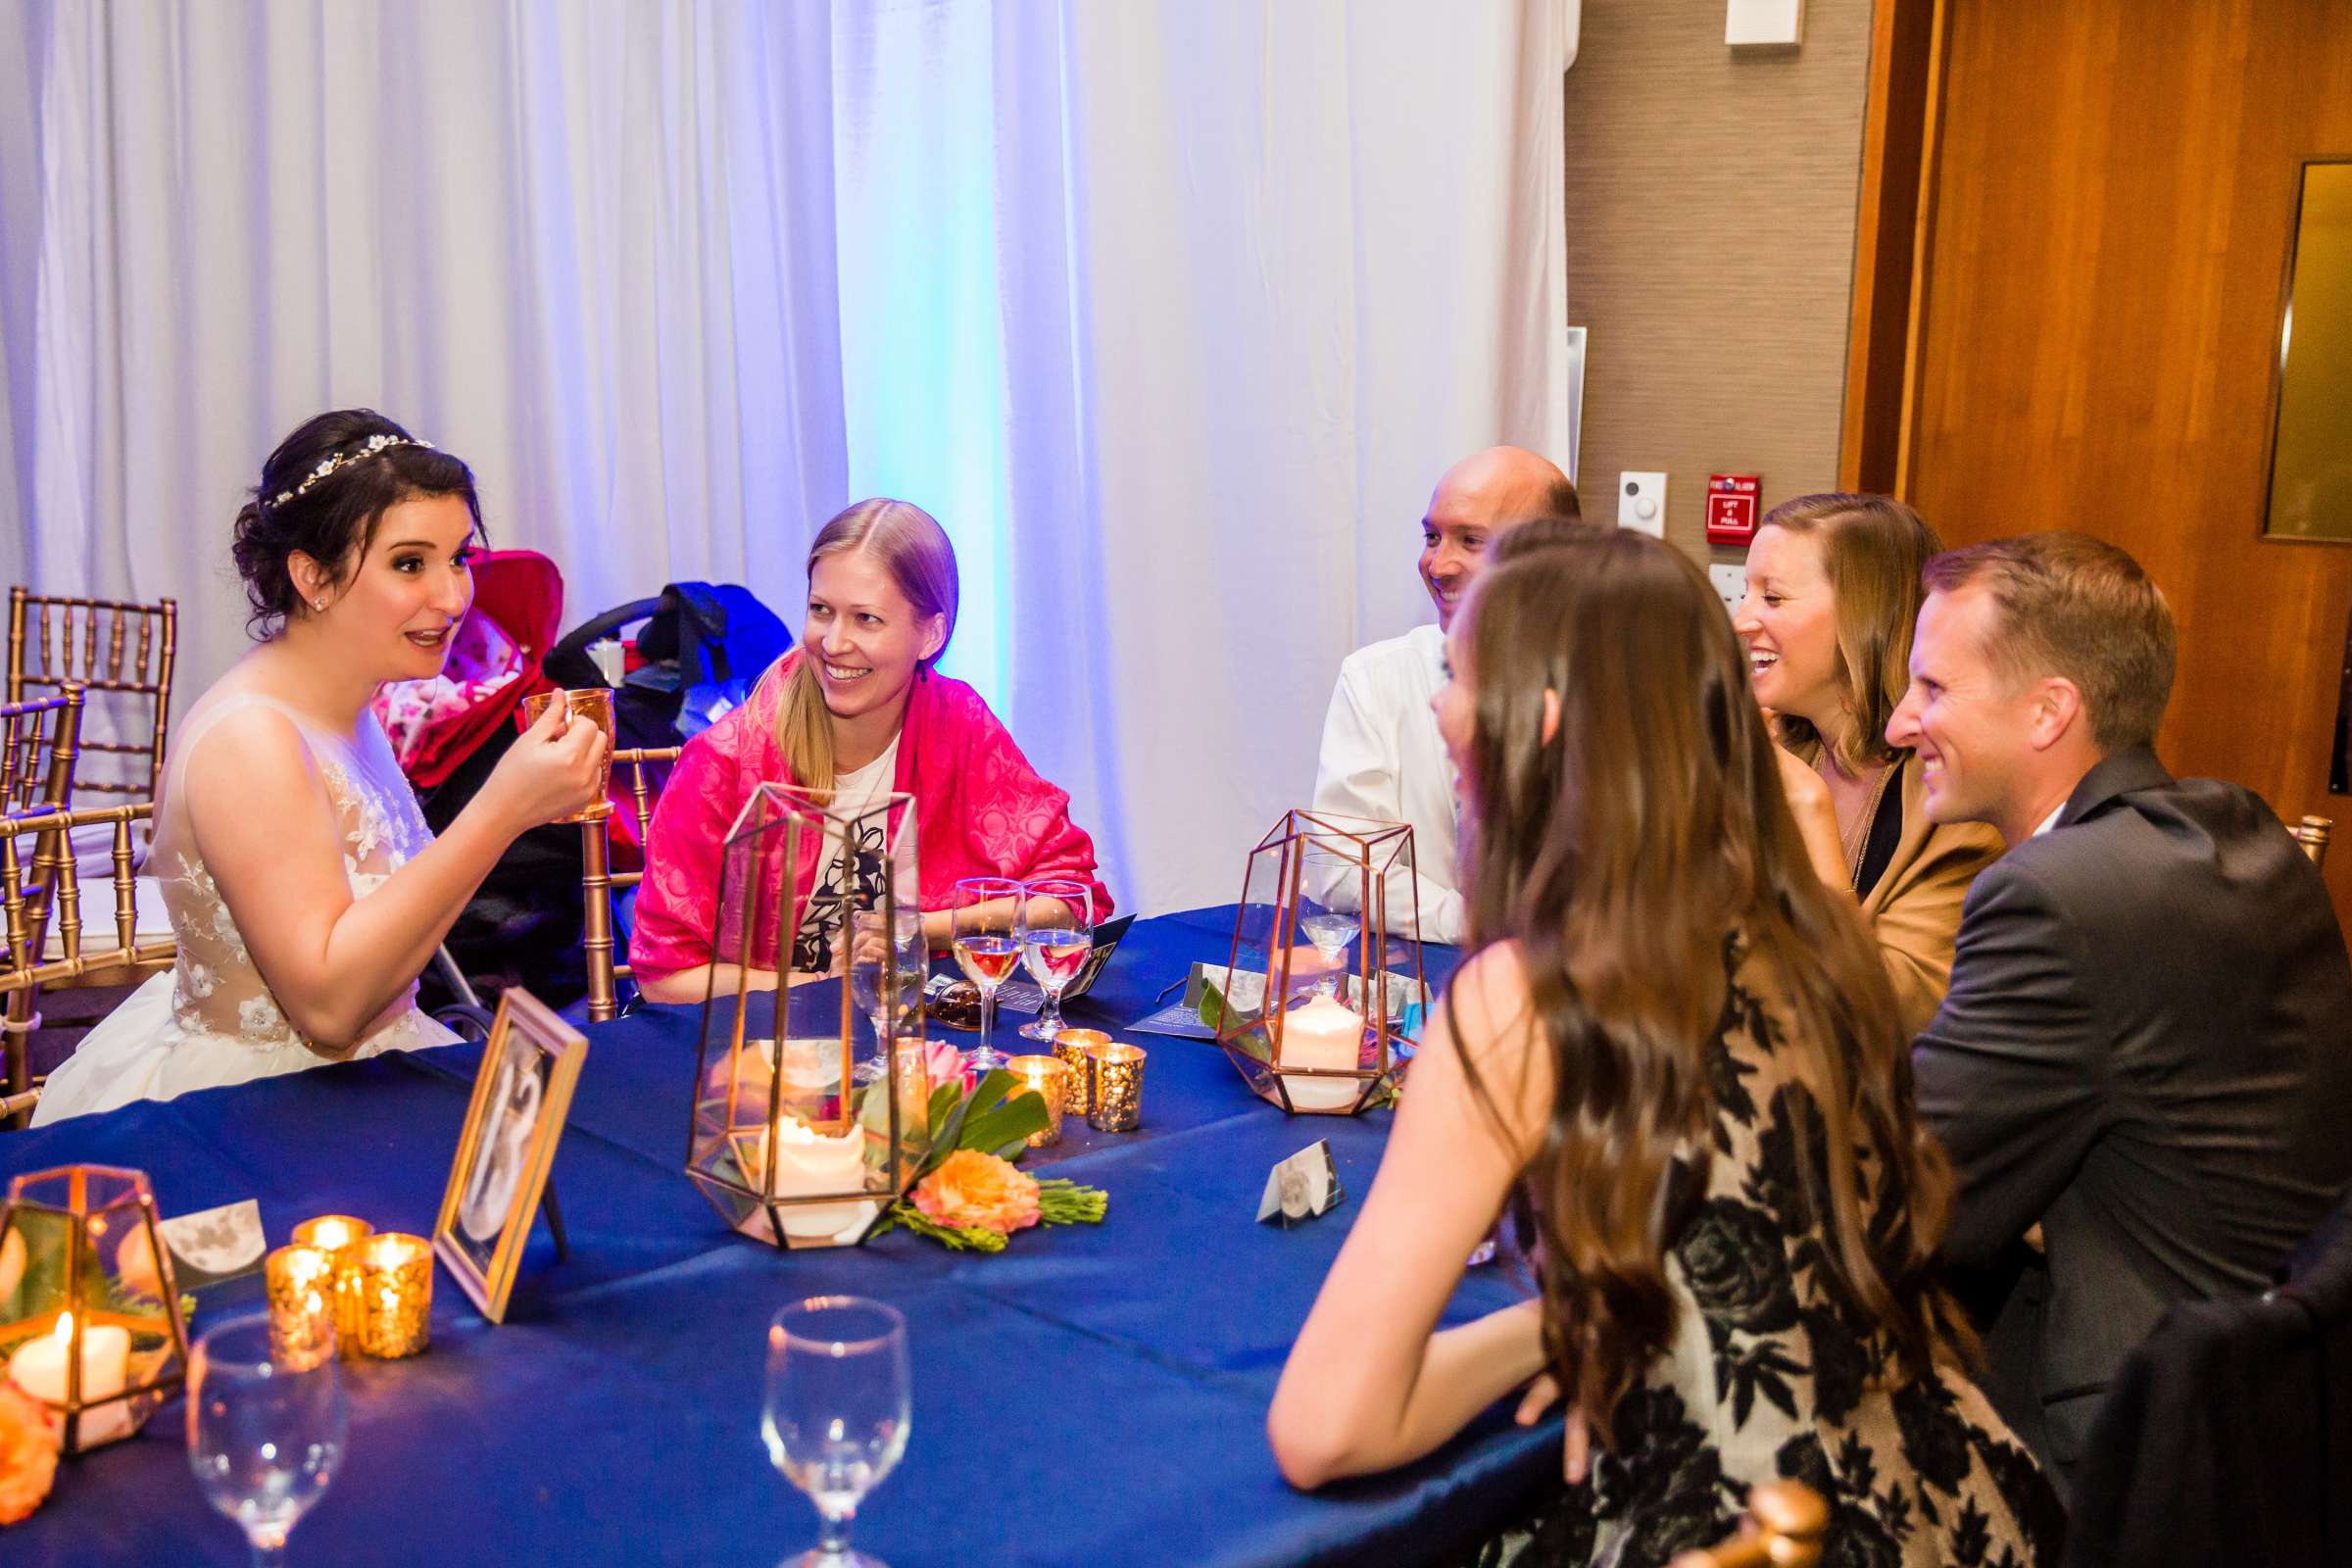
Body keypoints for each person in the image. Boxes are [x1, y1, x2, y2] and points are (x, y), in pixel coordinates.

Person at [1270, 528, 2058, 1562]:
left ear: (1540, 719)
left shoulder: (1526, 1000)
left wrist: (1552, 1325)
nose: (1436, 705)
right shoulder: (1815, 934)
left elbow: (1328, 1429)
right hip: (1940, 1498)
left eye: (1459, 673)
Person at [1898, 531, 2352, 1484]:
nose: (1903, 723)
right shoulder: (2239, 826)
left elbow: (1909, 1204)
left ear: (2048, 711)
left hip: (2127, 1446)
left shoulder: (2056, 894)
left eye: (1934, 688)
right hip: (2271, 1411)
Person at [34, 411, 608, 1123]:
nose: (453, 598)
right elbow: (329, 1011)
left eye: (458, 558)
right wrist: (501, 811)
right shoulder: (252, 740)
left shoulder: (345, 704)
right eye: (409, 563)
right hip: (266, 1105)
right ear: (313, 576)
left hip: (367, 1071)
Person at [630, 499, 1111, 1001]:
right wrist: (818, 986)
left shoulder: (958, 724)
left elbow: (1068, 899)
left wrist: (920, 928)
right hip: (764, 1059)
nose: (834, 643)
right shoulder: (726, 761)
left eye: (866, 618)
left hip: (913, 1043)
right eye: (821, 611)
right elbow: (665, 978)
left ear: (930, 634)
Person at [1734, 494, 2004, 1032]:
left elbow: (1891, 1013)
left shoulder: (1953, 805)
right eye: (1745, 594)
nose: (1742, 620)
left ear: (1864, 619)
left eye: (1773, 598)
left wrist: (1807, 808)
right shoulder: (1774, 751)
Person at [1309, 446, 1577, 945]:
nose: (1438, 564)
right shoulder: (1378, 678)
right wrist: (1481, 925)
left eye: (1472, 540)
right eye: (1433, 536)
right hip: (1426, 982)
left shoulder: (1614, 683)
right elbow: (1345, 871)